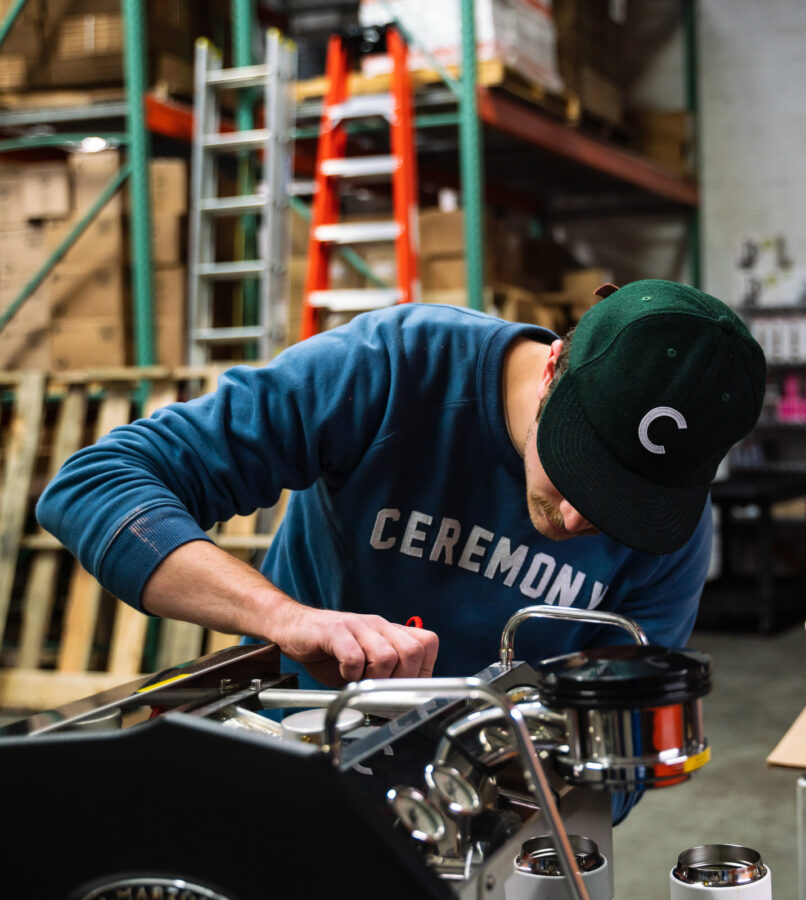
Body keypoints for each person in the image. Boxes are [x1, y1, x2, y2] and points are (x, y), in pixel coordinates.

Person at [37, 278, 766, 822]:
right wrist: (285, 618)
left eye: (622, 504)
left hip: (497, 812)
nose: (581, 515)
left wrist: (514, 814)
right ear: (553, 369)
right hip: (313, 769)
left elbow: (624, 754)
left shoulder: (671, 526)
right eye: (579, 469)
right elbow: (96, 487)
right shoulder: (391, 368)